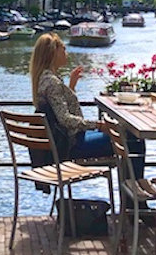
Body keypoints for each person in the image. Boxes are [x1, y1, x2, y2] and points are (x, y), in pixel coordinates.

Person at [29, 33, 146, 176]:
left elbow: (58, 109)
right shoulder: (52, 82)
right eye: (63, 49)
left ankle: (133, 188)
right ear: (54, 52)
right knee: (132, 139)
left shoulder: (44, 78)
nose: (66, 53)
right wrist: (98, 125)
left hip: (68, 142)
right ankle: (136, 188)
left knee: (124, 135)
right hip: (74, 145)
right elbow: (65, 119)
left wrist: (71, 87)